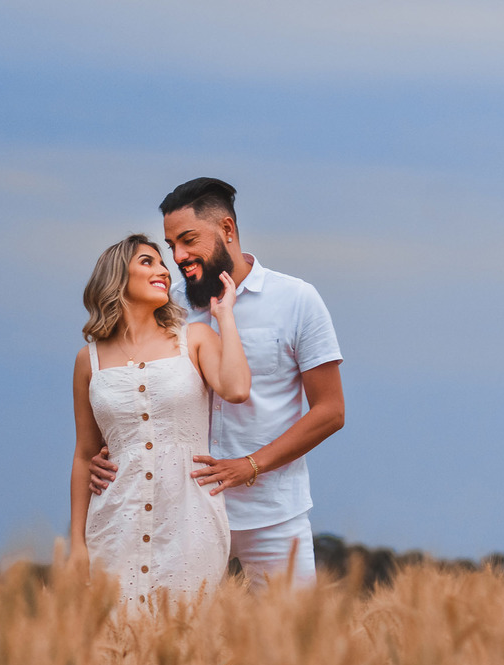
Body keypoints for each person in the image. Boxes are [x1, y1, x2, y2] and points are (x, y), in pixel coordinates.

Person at [91, 179, 344, 590]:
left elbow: (330, 411)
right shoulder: (165, 305)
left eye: (188, 240)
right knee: (176, 646)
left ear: (227, 229)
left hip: (274, 515)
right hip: (179, 514)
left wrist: (251, 465)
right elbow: (128, 381)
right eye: (170, 245)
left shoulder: (297, 300)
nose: (178, 257)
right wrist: (108, 451)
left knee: (294, 648)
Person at [69, 233, 250, 606]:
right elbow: (84, 453)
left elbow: (236, 389)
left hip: (190, 517)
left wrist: (225, 316)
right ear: (117, 276)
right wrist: (76, 543)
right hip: (115, 519)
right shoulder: (89, 361)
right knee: (117, 646)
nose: (163, 271)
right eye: (147, 262)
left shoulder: (195, 337)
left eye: (162, 264)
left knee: (188, 639)